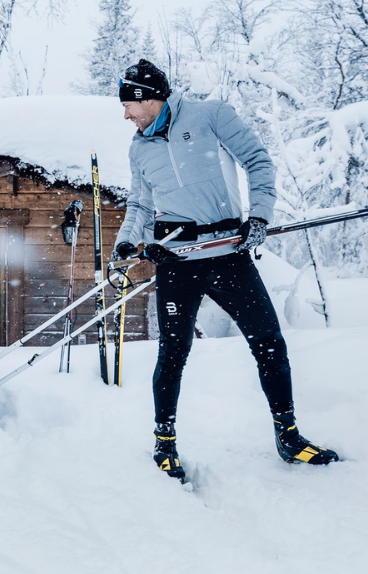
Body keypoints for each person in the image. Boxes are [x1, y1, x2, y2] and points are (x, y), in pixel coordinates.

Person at [112, 59, 339, 482]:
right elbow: (141, 205)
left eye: (129, 104)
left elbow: (257, 160)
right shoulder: (139, 147)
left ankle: (288, 437)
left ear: (149, 97)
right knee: (173, 353)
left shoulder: (210, 116)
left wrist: (259, 217)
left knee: (269, 342)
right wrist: (128, 238)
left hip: (227, 253)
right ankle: (165, 444)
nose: (125, 114)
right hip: (176, 261)